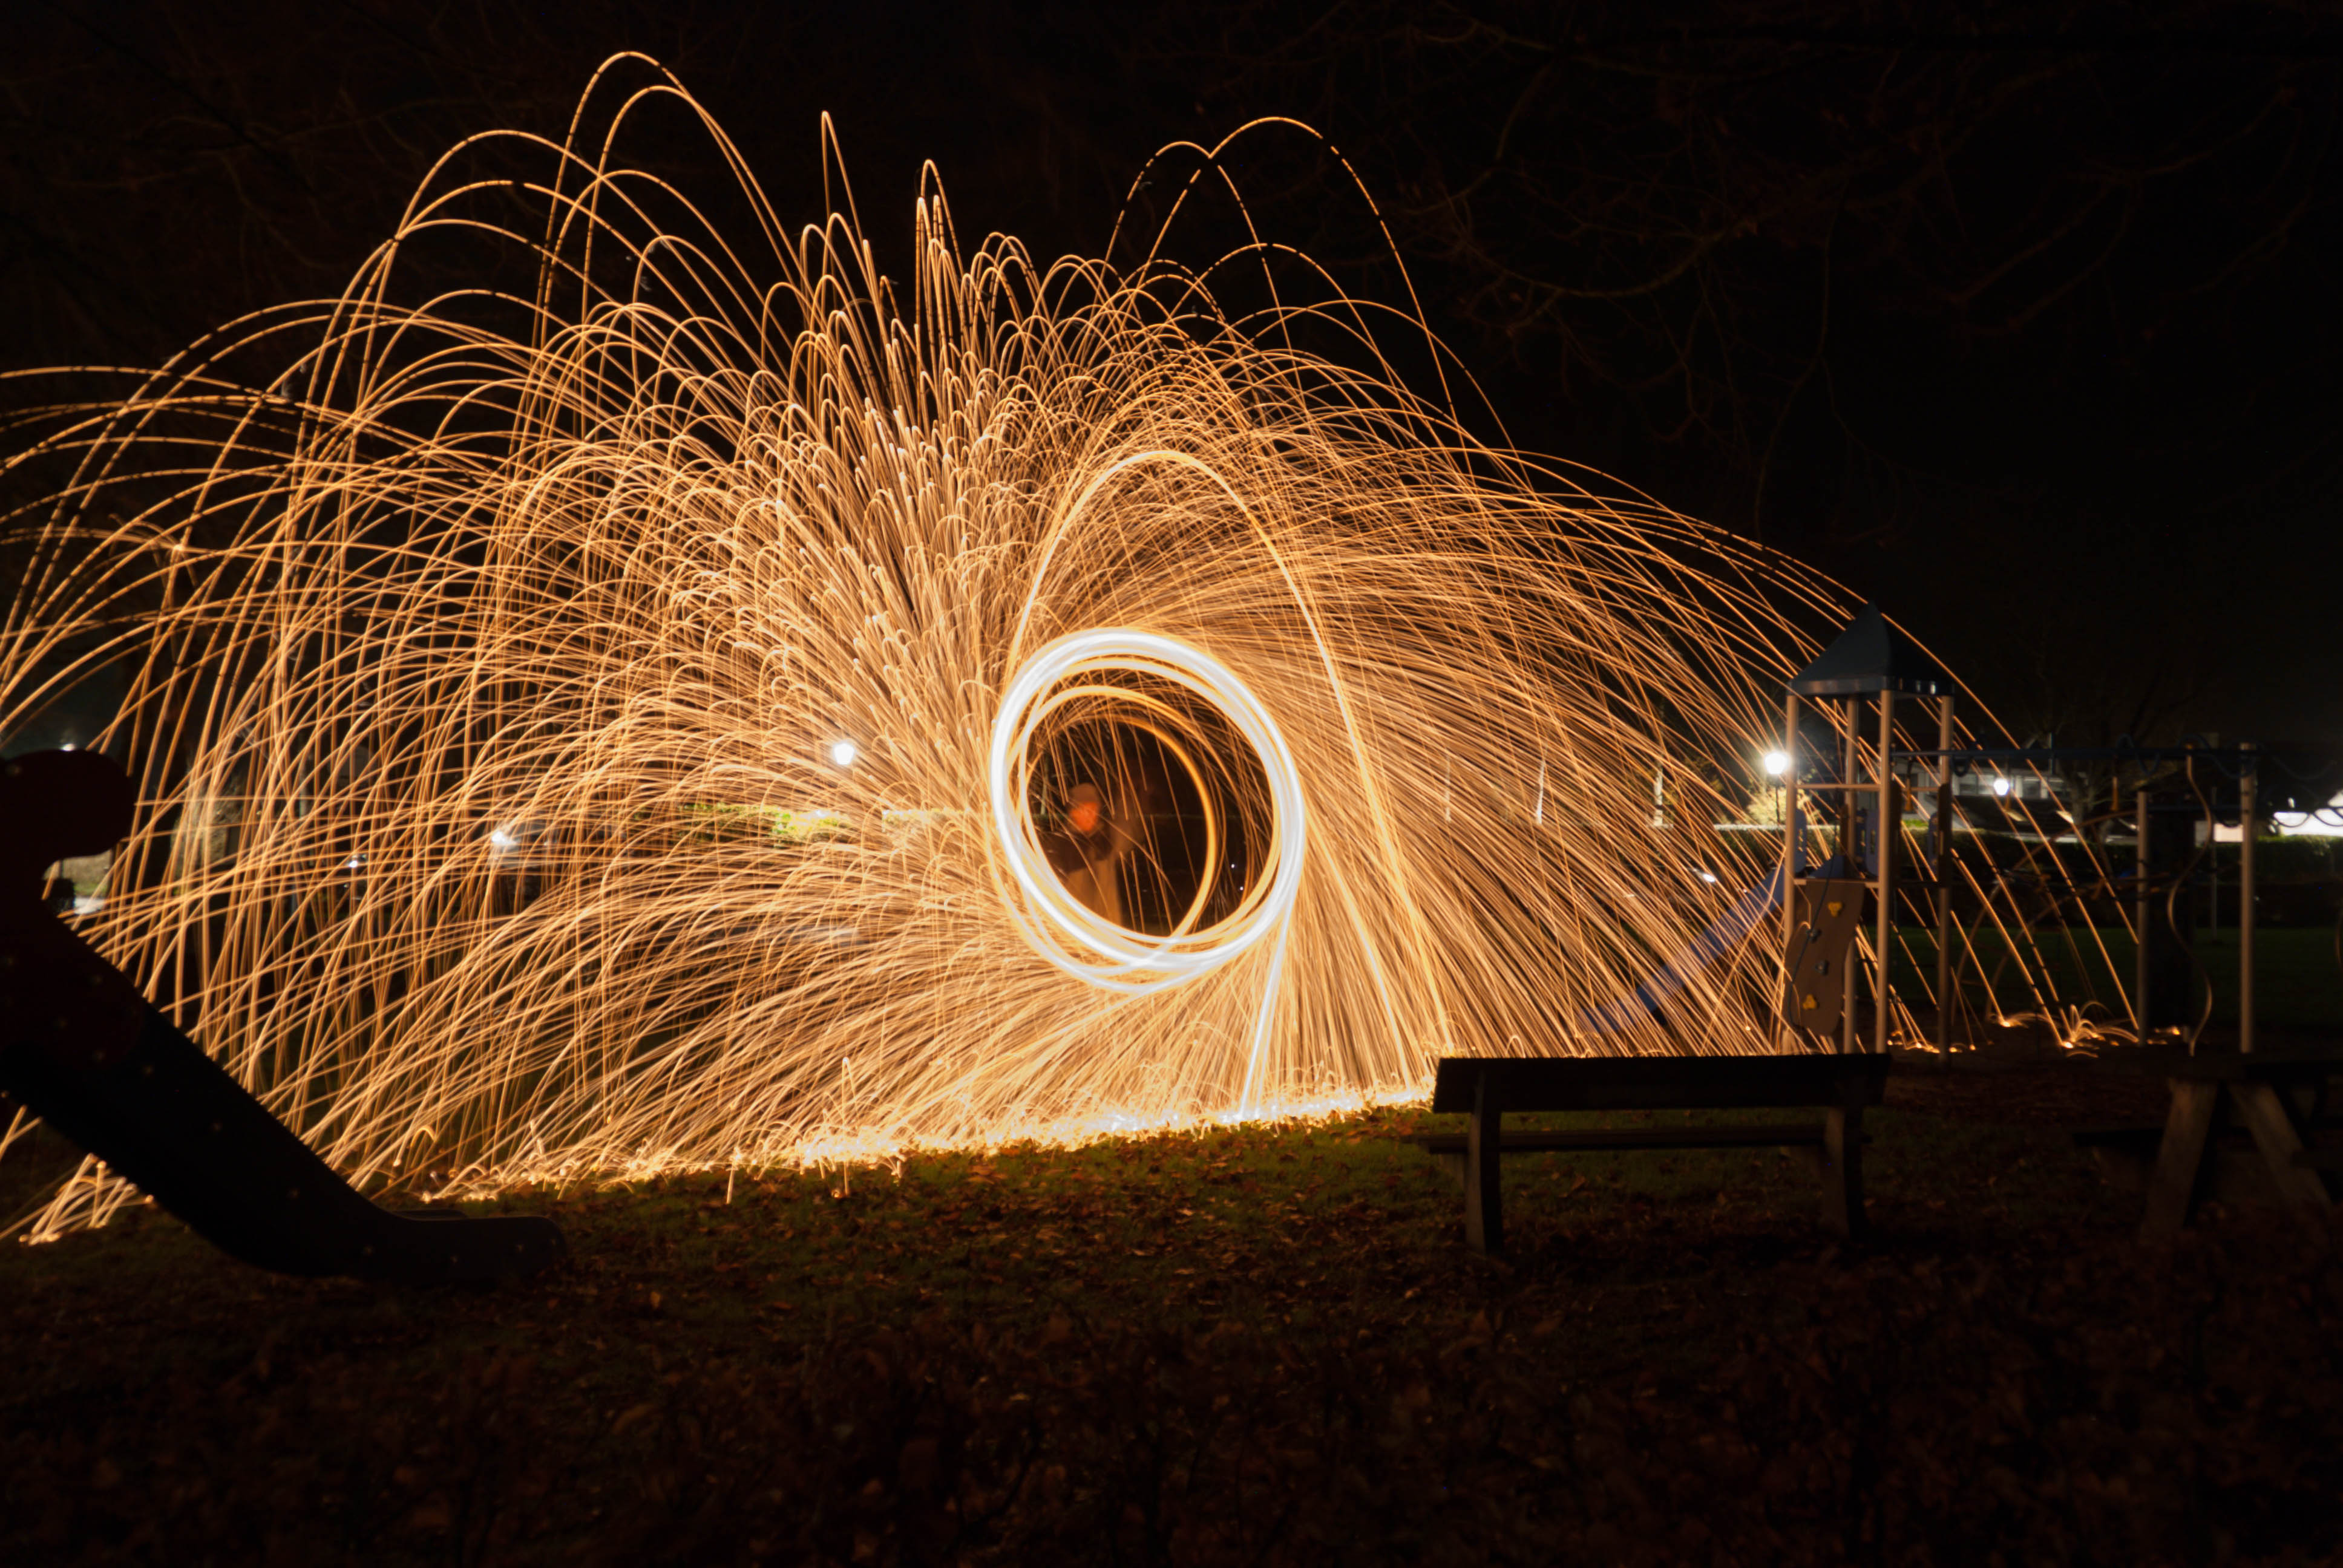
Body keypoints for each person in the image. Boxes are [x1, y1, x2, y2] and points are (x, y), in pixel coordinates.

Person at [1042, 781, 1134, 926]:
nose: (1090, 815)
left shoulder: (1106, 839)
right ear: (1073, 812)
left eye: (1093, 809)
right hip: (1075, 932)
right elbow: (1049, 891)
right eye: (1084, 810)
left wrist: (1128, 793)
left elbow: (1130, 829)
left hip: (1108, 930)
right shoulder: (1059, 844)